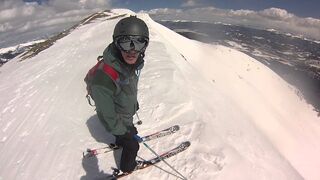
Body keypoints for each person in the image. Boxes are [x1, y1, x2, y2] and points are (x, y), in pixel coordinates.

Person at [90, 16, 149, 173]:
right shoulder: (104, 77)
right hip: (116, 119)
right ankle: (128, 167)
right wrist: (123, 131)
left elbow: (126, 88)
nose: (131, 50)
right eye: (125, 42)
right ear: (116, 44)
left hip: (124, 113)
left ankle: (121, 140)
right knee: (133, 145)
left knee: (129, 133)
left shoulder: (127, 65)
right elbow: (107, 114)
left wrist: (133, 105)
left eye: (138, 42)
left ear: (145, 45)